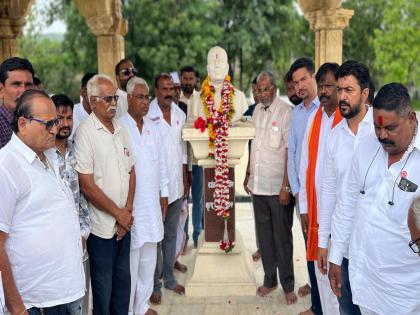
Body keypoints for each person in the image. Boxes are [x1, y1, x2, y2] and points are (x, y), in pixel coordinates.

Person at [328, 83, 420, 315]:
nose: (381, 135)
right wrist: (336, 256)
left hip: (404, 295)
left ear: (410, 118)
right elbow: (347, 202)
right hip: (363, 282)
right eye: (378, 128)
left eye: (390, 128)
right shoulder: (367, 144)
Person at [0, 89, 85, 315]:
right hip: (36, 303)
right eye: (47, 124)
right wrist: (17, 308)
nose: (55, 129)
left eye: (55, 122)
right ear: (23, 123)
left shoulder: (49, 155)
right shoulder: (6, 166)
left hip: (67, 292)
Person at [74, 74, 136, 315]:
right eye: (108, 98)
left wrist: (127, 212)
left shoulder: (120, 128)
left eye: (115, 97)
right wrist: (118, 214)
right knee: (103, 292)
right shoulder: (85, 133)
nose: (114, 103)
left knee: (122, 289)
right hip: (101, 230)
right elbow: (87, 186)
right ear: (93, 100)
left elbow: (132, 171)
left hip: (124, 226)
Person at [317, 61, 372, 315]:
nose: (342, 97)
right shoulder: (334, 135)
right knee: (347, 310)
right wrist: (323, 242)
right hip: (344, 248)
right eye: (340, 90)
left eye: (349, 90)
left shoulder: (381, 132)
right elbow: (328, 191)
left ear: (365, 93)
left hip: (376, 249)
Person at [245, 71, 297, 305]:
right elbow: (253, 146)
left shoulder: (286, 112)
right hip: (258, 185)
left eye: (266, 89)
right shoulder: (256, 110)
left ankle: (287, 284)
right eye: (258, 90)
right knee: (264, 237)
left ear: (274, 89)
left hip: (278, 188)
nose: (262, 93)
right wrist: (248, 173)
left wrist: (286, 185)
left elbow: (289, 151)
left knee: (282, 238)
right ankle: (270, 280)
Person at [120, 77, 169, 315]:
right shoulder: (120, 127)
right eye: (140, 97)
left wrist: (165, 194)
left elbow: (162, 164)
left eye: (147, 97)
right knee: (131, 262)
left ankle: (142, 306)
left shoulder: (153, 126)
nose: (145, 101)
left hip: (152, 202)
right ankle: (129, 309)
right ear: (128, 98)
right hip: (130, 205)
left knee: (149, 260)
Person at [299, 62, 342, 315]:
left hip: (339, 213)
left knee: (338, 276)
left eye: (329, 85)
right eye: (322, 85)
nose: (324, 90)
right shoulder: (314, 120)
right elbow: (305, 165)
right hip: (316, 212)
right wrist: (304, 207)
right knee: (321, 271)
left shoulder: (345, 121)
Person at [148, 73, 188, 304]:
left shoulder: (180, 114)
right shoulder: (148, 116)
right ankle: (155, 285)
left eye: (171, 89)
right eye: (164, 89)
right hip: (154, 190)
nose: (168, 93)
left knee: (171, 235)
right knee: (155, 238)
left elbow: (182, 152)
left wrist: (185, 180)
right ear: (156, 90)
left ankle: (170, 279)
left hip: (175, 186)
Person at [287, 58, 321, 315]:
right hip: (304, 195)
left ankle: (325, 301)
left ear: (313, 77)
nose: (299, 86)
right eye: (295, 82)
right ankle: (316, 304)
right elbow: (293, 154)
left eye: (303, 79)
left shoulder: (325, 110)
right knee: (309, 244)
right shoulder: (296, 114)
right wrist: (298, 192)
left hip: (324, 192)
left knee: (326, 246)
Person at [52, 93, 91, 315]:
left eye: (69, 118)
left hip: (81, 240)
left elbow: (84, 198)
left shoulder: (79, 149)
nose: (65, 124)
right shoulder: (44, 155)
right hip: (55, 243)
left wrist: (83, 233)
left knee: (80, 301)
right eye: (59, 119)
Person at [189, 46, 248, 123]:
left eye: (221, 61)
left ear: (227, 68)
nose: (217, 65)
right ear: (207, 69)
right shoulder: (195, 100)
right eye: (213, 62)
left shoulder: (240, 98)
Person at [180, 66, 203, 250]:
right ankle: (183, 238)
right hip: (180, 160)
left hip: (198, 158)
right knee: (182, 200)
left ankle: (197, 235)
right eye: (185, 78)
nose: (188, 81)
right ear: (180, 79)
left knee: (198, 199)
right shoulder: (174, 101)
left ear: (196, 80)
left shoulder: (202, 100)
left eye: (191, 78)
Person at [0, 57, 34, 148]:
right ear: (1, 90)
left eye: (28, 85)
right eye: (16, 84)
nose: (23, 91)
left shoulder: (39, 122)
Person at [72, 72, 96, 137]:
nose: (98, 94)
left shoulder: (105, 114)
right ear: (83, 92)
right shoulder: (71, 115)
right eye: (94, 90)